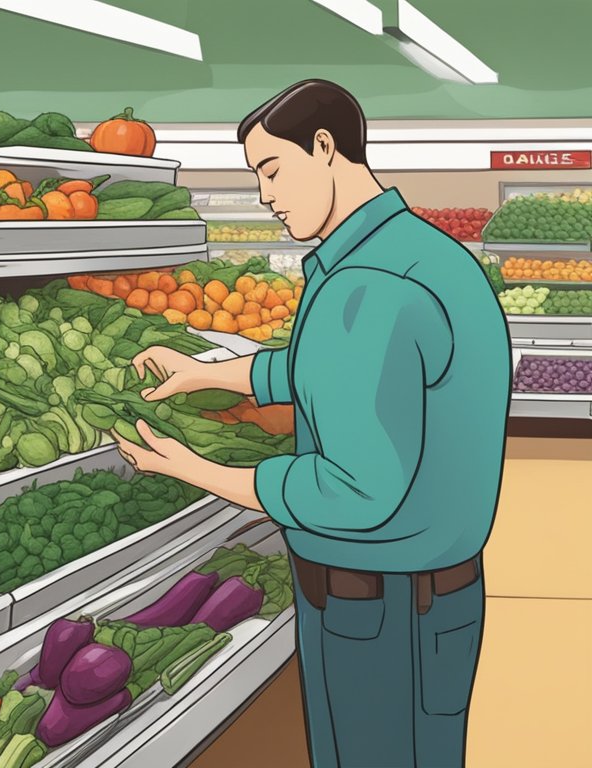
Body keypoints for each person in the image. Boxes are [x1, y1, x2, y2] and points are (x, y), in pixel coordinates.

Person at [111, 79, 511, 768]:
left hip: (376, 614)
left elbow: (354, 490)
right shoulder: (424, 255)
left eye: (270, 170)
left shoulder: (367, 284)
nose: (266, 195)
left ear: (325, 147)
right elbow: (332, 369)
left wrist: (195, 469)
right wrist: (203, 371)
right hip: (438, 598)